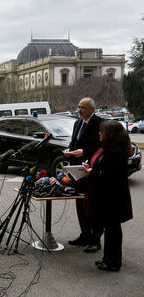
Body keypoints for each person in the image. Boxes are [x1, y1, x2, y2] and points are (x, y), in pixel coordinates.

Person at [81, 120, 133, 271]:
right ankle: (108, 259)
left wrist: (91, 172)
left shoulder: (117, 152)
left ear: (109, 134)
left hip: (113, 198)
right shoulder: (107, 149)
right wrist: (90, 168)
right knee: (110, 229)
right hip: (106, 196)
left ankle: (113, 262)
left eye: (101, 131)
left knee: (113, 231)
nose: (99, 133)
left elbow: (111, 176)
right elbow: (102, 168)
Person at [63, 97, 103, 253]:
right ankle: (84, 235)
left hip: (92, 170)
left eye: (83, 107)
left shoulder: (100, 124)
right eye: (78, 107)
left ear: (92, 109)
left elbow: (101, 146)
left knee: (93, 206)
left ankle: (95, 239)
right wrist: (68, 150)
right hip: (77, 169)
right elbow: (74, 143)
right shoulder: (77, 123)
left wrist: (85, 152)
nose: (79, 110)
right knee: (80, 203)